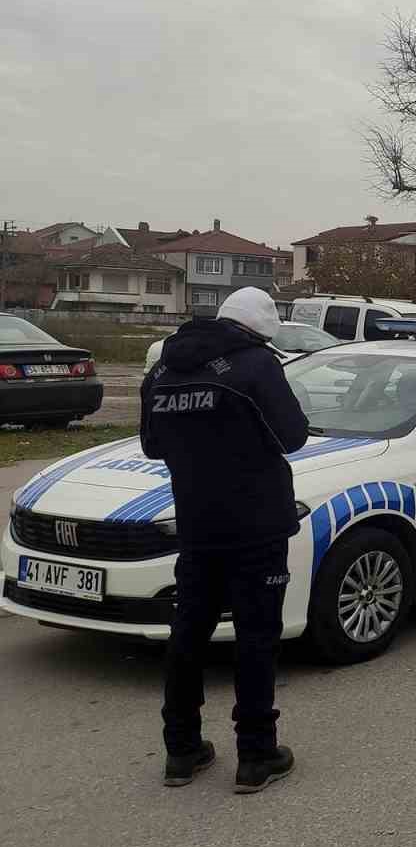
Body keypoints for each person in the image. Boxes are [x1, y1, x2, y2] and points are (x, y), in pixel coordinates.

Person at [141, 287, 309, 792]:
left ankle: (181, 750)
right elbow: (293, 435)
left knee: (188, 634)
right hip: (256, 525)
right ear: (262, 328)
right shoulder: (257, 365)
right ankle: (257, 754)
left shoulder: (163, 370)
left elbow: (152, 446)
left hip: (196, 524)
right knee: (257, 638)